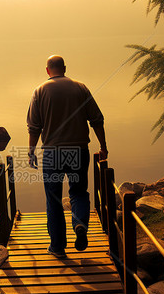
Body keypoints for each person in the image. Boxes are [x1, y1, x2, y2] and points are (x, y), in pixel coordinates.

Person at [26, 55, 108, 258]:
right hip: (79, 150)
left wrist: (31, 151)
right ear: (64, 68)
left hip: (52, 153)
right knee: (79, 192)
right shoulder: (81, 88)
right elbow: (97, 119)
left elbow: (34, 127)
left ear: (47, 70)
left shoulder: (39, 91)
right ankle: (79, 224)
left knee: (53, 199)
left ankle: (58, 247)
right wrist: (103, 146)